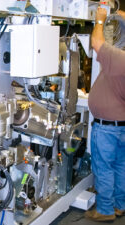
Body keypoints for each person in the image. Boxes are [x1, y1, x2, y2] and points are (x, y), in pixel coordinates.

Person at [85, 7, 125, 222]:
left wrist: (99, 20)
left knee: (104, 168)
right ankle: (120, 206)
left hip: (107, 127)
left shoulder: (118, 59)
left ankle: (105, 210)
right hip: (122, 125)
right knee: (121, 166)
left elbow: (96, 42)